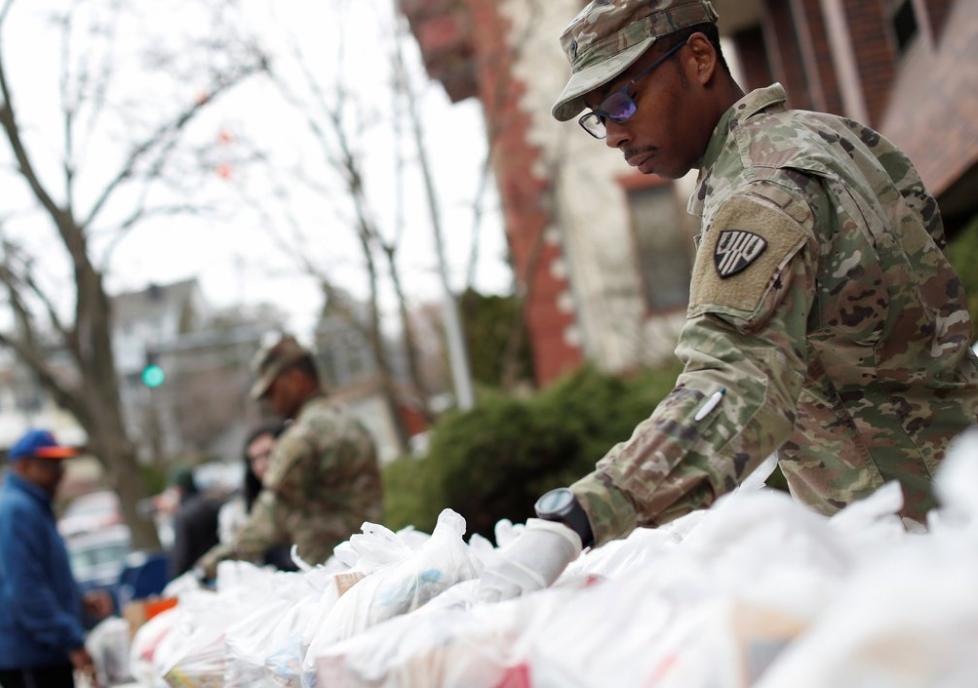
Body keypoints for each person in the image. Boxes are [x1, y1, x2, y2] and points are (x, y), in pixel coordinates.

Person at [478, 0, 978, 602]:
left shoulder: (759, 192)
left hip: (917, 552)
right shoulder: (840, 137)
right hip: (952, 495)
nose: (613, 133)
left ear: (697, 57)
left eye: (622, 101)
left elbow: (737, 384)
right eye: (597, 116)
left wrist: (583, 514)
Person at [196, 334, 383, 578]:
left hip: (332, 575)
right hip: (376, 562)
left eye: (273, 391)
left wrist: (211, 564)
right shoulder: (352, 422)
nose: (272, 402)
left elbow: (268, 520)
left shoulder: (301, 438)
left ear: (296, 379)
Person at [0, 429, 112, 688]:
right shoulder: (17, 510)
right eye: (49, 464)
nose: (60, 472)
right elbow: (26, 590)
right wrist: (71, 640)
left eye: (60, 464)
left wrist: (79, 601)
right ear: (24, 465)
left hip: (41, 655)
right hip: (30, 658)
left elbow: (44, 576)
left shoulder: (32, 506)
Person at [216, 421, 296, 571]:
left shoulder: (303, 492)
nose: (262, 464)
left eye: (268, 454)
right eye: (254, 459)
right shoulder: (250, 505)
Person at [168, 468, 223, 579]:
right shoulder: (213, 504)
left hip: (197, 576)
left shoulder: (183, 515)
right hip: (221, 569)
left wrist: (174, 579)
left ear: (178, 489)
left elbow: (181, 556)